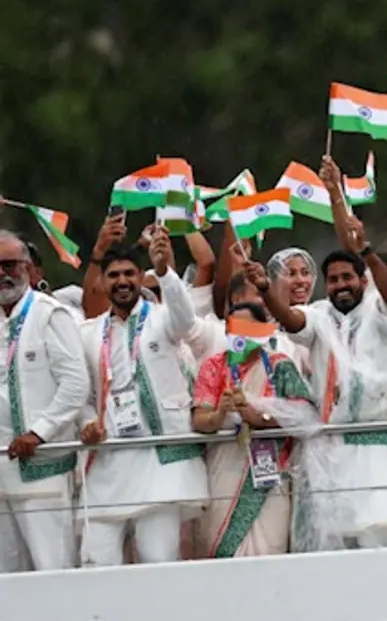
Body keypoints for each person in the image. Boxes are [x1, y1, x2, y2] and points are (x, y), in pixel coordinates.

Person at [258, 170, 387, 550]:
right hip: (337, 449)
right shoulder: (318, 314)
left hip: (383, 447)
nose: (341, 285)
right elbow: (292, 321)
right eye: (333, 279)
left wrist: (364, 249)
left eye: (348, 277)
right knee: (341, 547)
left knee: (383, 541)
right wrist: (266, 291)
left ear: (363, 280)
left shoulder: (381, 310)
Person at [78, 234, 209, 566]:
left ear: (140, 278)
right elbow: (84, 395)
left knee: (158, 560)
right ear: (103, 283)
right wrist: (86, 423)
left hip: (158, 464)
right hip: (110, 463)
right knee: (95, 560)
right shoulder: (89, 333)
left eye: (129, 274)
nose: (122, 281)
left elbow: (186, 319)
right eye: (114, 275)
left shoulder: (162, 319)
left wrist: (165, 272)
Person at [191, 274, 316, 557]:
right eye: (235, 328)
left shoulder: (280, 366)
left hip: (270, 475)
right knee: (223, 550)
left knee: (269, 549)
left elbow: (304, 415)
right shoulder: (214, 367)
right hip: (225, 469)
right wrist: (222, 412)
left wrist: (258, 415)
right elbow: (200, 419)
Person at [0, 232, 89, 572]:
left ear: (28, 268)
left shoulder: (50, 314)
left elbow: (75, 385)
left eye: (9, 265)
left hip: (41, 470)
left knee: (51, 569)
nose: (2, 274)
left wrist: (38, 433)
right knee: (7, 579)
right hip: (1, 469)